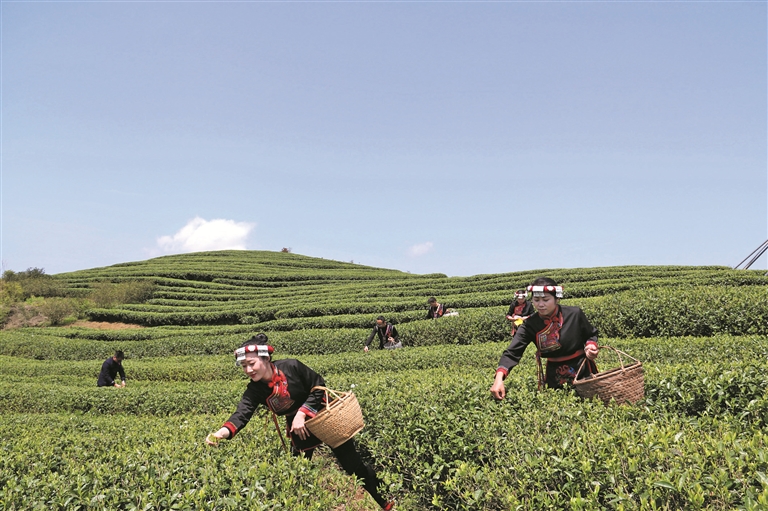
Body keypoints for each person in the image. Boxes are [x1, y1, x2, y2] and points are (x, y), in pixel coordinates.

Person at [206, 334, 394, 510]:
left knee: (353, 465)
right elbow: (242, 413)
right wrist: (221, 433)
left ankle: (386, 501)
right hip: (299, 430)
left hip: (324, 417)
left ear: (266, 359)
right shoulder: (254, 389)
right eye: (243, 366)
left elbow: (319, 385)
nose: (248, 370)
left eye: (251, 363)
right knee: (297, 471)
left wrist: (302, 413)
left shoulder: (292, 367)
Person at [490, 278, 599, 398]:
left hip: (582, 369)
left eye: (546, 300)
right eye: (536, 300)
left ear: (557, 299)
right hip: (554, 375)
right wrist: (499, 378)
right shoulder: (530, 324)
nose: (540, 304)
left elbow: (591, 334)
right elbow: (512, 352)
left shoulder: (574, 314)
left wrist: (591, 346)